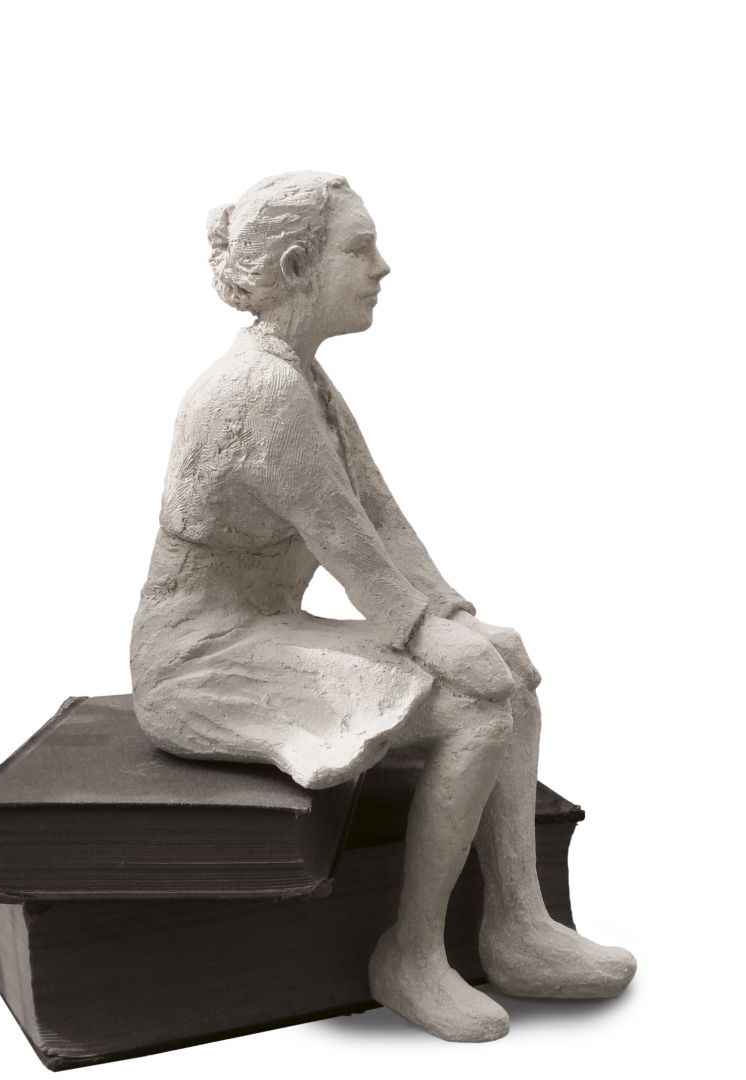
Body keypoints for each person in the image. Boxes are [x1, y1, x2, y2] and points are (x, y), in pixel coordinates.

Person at [130, 171, 636, 1042]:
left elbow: (383, 519)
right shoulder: (256, 393)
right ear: (297, 267)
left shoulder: (303, 378)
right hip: (200, 657)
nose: (383, 267)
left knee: (507, 668)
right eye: (359, 249)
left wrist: (456, 620)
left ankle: (518, 926)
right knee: (476, 705)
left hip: (262, 628)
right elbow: (345, 543)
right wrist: (427, 636)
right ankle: (412, 955)